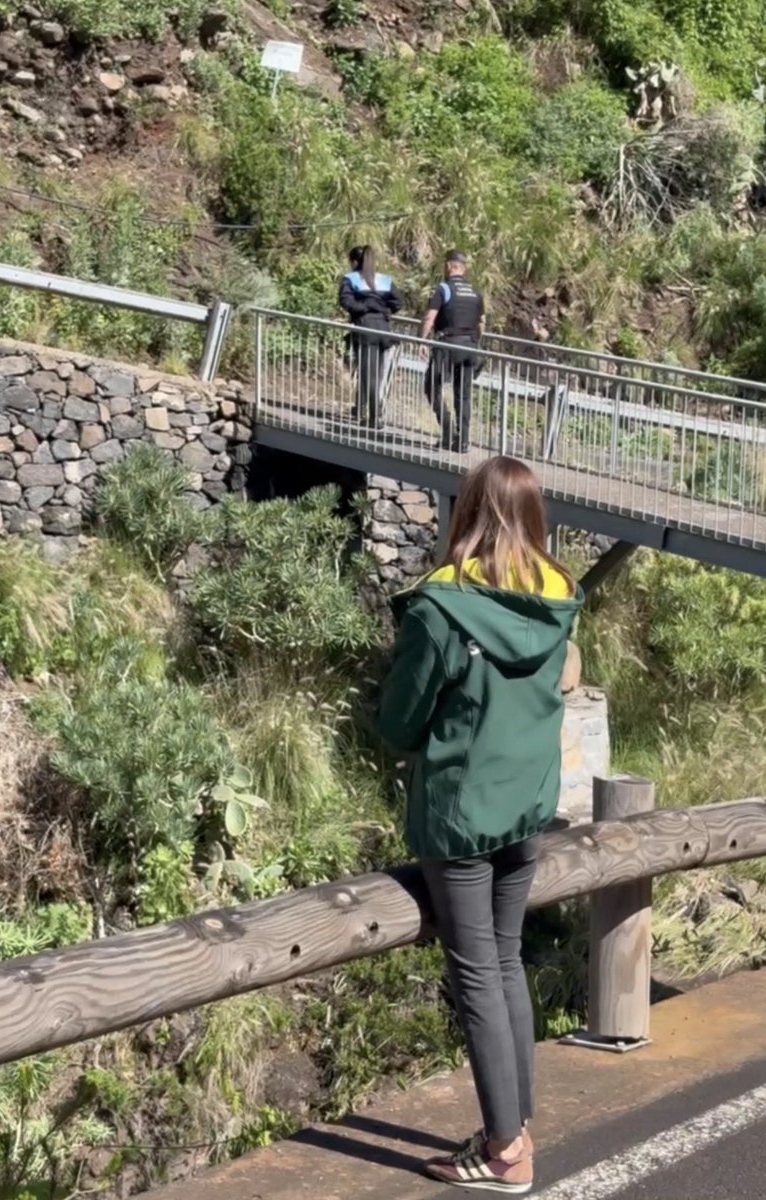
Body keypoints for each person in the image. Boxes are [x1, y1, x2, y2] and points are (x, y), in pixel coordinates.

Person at [377, 457, 583, 1195]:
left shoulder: (442, 606)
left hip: (462, 816)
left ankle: (505, 1153)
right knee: (504, 961)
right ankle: (515, 1128)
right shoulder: (558, 597)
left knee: (476, 975)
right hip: (528, 810)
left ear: (467, 511)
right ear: (534, 517)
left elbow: (399, 723)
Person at [419, 250, 485, 455]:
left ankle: (447, 430)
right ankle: (463, 441)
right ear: (463, 269)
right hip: (469, 347)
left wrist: (422, 340)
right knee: (463, 395)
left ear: (449, 266)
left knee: (432, 386)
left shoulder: (443, 288)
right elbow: (482, 322)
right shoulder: (475, 292)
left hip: (447, 346)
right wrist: (475, 342)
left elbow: (430, 317)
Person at [339, 246, 403, 429]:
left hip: (365, 327)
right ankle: (362, 409)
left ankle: (375, 417)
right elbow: (399, 301)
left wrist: (365, 307)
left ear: (354, 262)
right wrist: (384, 310)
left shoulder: (351, 279)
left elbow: (346, 302)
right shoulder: (384, 279)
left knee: (369, 375)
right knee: (378, 374)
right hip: (384, 328)